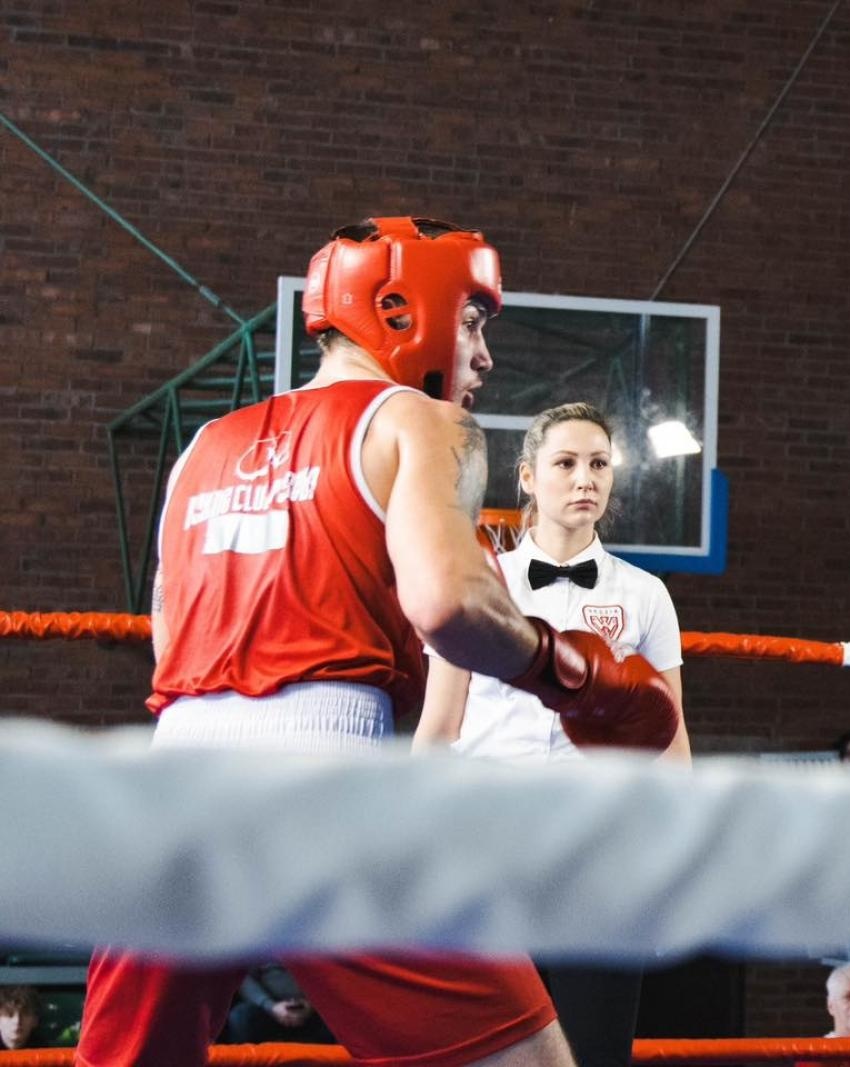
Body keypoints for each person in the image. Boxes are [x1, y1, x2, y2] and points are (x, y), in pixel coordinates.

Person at [75, 217, 679, 1067]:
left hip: (171, 794)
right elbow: (447, 605)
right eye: (472, 319)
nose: (483, 354)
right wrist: (577, 679)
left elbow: (169, 633)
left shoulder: (201, 448)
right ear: (401, 308)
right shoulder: (423, 423)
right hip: (326, 792)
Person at [415, 401, 689, 1067]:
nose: (584, 478)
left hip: (601, 852)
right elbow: (439, 727)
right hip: (488, 845)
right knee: (486, 1054)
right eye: (565, 463)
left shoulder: (646, 594)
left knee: (594, 1052)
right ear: (530, 477)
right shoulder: (477, 586)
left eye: (598, 463)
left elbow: (672, 747)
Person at [221, 963, 336, 1045]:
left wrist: (313, 1004)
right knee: (240, 1017)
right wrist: (271, 1006)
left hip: (314, 1007)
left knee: (338, 1018)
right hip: (268, 1008)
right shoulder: (260, 943)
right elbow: (245, 980)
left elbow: (330, 977)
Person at [0, 986, 41, 1050]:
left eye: (25, 1014)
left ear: (35, 1020)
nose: (17, 1021)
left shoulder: (44, 1050)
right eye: (9, 1015)